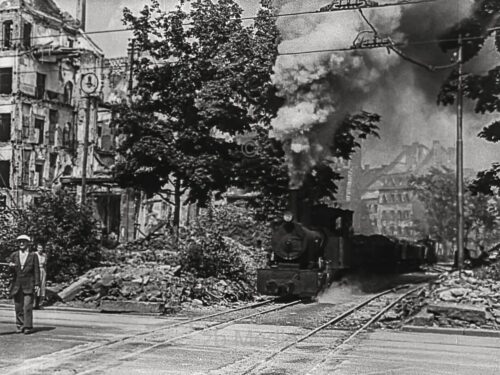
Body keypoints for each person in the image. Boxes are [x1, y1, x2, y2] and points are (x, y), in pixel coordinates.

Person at [8, 235, 40, 334]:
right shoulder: (14, 255)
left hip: (29, 284)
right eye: (20, 242)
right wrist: (11, 266)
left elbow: (36, 270)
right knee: (18, 307)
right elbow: (10, 272)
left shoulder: (33, 255)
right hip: (17, 285)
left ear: (28, 243)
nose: (21, 244)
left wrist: (37, 284)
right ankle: (20, 325)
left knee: (27, 306)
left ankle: (27, 327)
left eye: (24, 242)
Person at [33, 244, 47, 309]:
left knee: (42, 287)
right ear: (37, 248)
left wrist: (45, 272)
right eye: (39, 248)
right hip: (36, 271)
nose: (40, 249)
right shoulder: (34, 254)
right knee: (36, 287)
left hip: (42, 271)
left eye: (41, 248)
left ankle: (40, 304)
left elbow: (45, 265)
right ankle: (34, 303)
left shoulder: (44, 255)